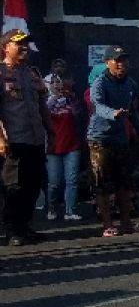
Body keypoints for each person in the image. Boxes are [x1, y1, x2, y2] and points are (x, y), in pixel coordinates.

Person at [86, 47, 139, 237]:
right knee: (102, 183)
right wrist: (112, 113)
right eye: (117, 60)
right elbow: (98, 106)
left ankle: (126, 222)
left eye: (124, 60)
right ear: (107, 63)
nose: (122, 64)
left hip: (120, 138)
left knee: (124, 182)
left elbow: (133, 110)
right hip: (99, 139)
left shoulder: (131, 84)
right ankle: (107, 224)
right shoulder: (99, 82)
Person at [0, 29, 50, 245]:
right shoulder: (1, 73)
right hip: (14, 140)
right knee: (14, 187)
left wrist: (51, 130)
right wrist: (0, 139)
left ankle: (25, 226)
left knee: (33, 184)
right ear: (5, 47)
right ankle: (12, 231)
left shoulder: (32, 73)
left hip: (35, 139)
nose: (24, 48)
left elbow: (41, 105)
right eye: (18, 44)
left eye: (26, 44)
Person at [44, 73, 85, 222]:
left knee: (72, 180)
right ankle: (52, 207)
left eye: (58, 82)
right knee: (54, 182)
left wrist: (70, 98)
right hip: (53, 147)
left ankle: (70, 211)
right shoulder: (44, 101)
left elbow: (78, 113)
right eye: (53, 82)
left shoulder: (69, 99)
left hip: (71, 145)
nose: (56, 85)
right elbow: (45, 113)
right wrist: (54, 98)